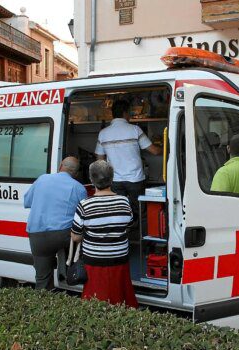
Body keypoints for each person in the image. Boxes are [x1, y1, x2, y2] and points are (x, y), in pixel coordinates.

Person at [71, 160, 138, 307]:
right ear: (112, 179)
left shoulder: (85, 204)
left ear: (91, 180)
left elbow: (75, 236)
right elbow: (127, 226)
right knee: (120, 296)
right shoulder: (124, 201)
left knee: (96, 301)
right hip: (119, 259)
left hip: (94, 260)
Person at [95, 99, 162, 226]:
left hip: (114, 180)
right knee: (140, 211)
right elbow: (154, 151)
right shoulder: (135, 129)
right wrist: (167, 147)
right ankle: (142, 240)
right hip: (135, 179)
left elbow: (100, 159)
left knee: (119, 212)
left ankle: (124, 237)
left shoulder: (103, 133)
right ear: (125, 113)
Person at [24, 157, 87, 290]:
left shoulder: (42, 179)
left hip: (37, 235)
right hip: (63, 235)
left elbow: (27, 202)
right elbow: (84, 215)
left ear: (60, 167)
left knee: (42, 278)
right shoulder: (78, 187)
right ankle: (66, 273)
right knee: (75, 239)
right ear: (76, 174)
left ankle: (45, 296)